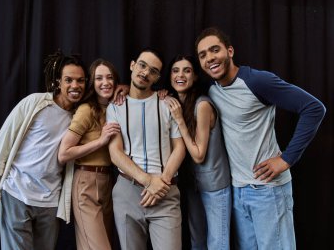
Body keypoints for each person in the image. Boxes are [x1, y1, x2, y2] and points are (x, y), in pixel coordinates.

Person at [195, 27, 326, 249]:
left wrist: (286, 159)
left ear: (230, 51)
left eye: (214, 50)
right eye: (203, 55)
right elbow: (180, 86)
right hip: (238, 190)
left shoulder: (257, 81)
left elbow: (314, 108)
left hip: (268, 191)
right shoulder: (213, 88)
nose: (210, 58)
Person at [0, 50, 88, 250]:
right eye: (69, 80)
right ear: (58, 82)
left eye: (80, 81)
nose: (75, 86)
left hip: (50, 203)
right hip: (16, 194)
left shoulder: (81, 115)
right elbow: (0, 146)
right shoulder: (35, 103)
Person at [106, 48, 186, 250]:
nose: (145, 72)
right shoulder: (115, 106)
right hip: (127, 191)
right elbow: (115, 152)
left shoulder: (167, 103)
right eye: (142, 65)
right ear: (133, 65)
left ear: (158, 77)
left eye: (153, 71)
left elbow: (179, 147)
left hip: (165, 191)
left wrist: (161, 182)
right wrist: (148, 181)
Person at [165, 55, 231, 250]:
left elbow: (199, 155)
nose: (180, 75)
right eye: (175, 70)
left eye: (187, 70)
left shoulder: (202, 105)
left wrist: (179, 120)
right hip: (192, 185)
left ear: (194, 77)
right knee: (197, 243)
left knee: (217, 245)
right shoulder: (177, 103)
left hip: (215, 187)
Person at [58, 59, 121, 250]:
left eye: (110, 77)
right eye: (99, 78)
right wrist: (100, 142)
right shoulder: (86, 110)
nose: (105, 82)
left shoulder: (115, 107)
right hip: (86, 182)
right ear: (92, 83)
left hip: (108, 181)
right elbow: (63, 153)